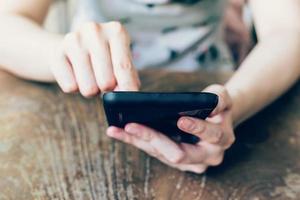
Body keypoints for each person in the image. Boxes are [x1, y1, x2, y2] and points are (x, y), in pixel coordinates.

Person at [0, 0, 299, 173]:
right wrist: (57, 53)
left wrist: (236, 101)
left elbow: (289, 31)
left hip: (216, 87)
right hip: (87, 101)